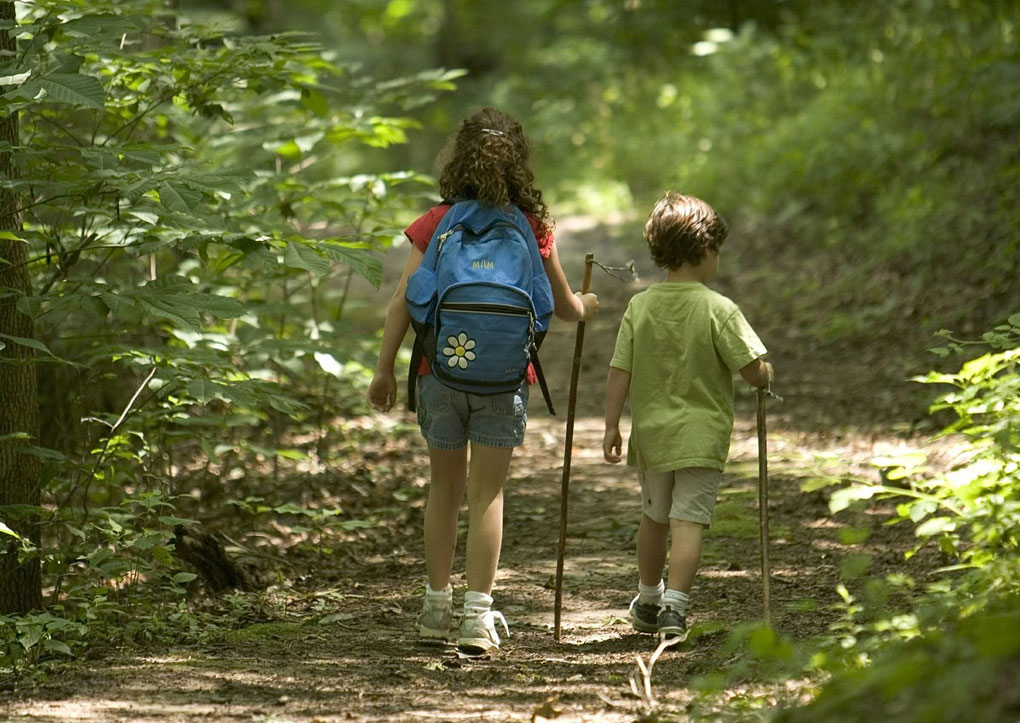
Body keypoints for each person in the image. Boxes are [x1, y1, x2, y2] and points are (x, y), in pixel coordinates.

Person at [367, 107, 599, 654]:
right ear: (519, 164)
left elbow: (405, 299)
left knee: (444, 490)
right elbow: (565, 309)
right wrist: (587, 303)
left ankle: (433, 608)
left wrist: (384, 369)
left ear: (459, 159)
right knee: (487, 493)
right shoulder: (533, 226)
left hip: (438, 372)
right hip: (502, 380)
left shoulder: (436, 221)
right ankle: (477, 616)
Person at [602, 191, 773, 641]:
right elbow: (753, 371)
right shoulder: (719, 309)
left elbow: (620, 368)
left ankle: (648, 598)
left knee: (655, 517)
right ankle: (675, 609)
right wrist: (767, 372)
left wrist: (611, 425)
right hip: (701, 437)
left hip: (654, 436)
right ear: (705, 250)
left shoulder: (640, 306)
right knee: (689, 522)